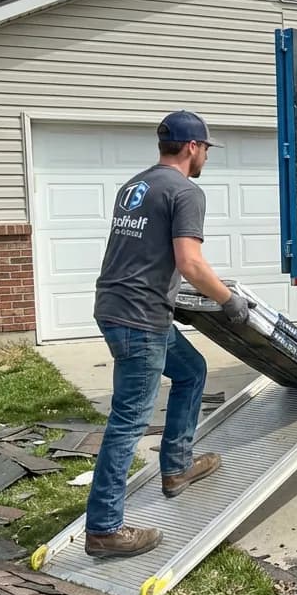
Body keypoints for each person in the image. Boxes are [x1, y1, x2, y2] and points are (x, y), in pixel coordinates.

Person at [85, 110, 253, 558]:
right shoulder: (185, 191)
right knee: (128, 421)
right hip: (140, 318)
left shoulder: (134, 186)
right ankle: (103, 529)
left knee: (191, 370)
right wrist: (228, 301)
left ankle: (177, 467)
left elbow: (141, 254)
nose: (206, 157)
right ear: (192, 147)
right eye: (206, 149)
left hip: (118, 306)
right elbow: (190, 262)